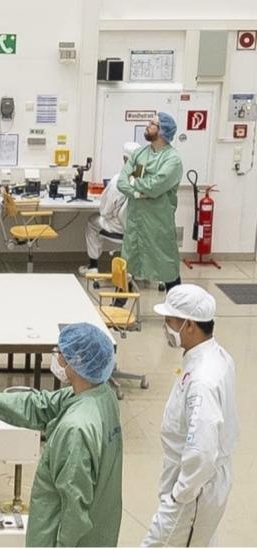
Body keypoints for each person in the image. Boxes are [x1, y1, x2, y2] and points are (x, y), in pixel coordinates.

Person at [0, 323, 122, 547]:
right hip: (100, 532)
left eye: (61, 354)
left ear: (79, 362)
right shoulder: (101, 396)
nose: (57, 359)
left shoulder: (75, 429)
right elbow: (38, 405)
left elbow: (75, 509)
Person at [143, 284, 238, 547]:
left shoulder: (202, 380)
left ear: (190, 325)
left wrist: (179, 495)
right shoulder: (214, 356)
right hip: (198, 484)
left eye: (170, 321)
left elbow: (202, 450)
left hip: (193, 490)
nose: (166, 327)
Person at [117, 112, 183, 291]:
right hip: (136, 223)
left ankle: (176, 312)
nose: (147, 125)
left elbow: (155, 186)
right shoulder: (140, 154)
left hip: (158, 225)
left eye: (152, 123)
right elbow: (123, 182)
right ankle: (118, 305)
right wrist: (138, 193)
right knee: (127, 265)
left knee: (166, 267)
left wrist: (136, 182)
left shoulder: (172, 160)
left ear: (162, 131)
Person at [78, 142, 142, 275]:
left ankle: (93, 266)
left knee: (92, 221)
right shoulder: (149, 180)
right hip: (144, 231)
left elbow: (105, 212)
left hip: (121, 229)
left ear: (125, 159)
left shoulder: (118, 181)